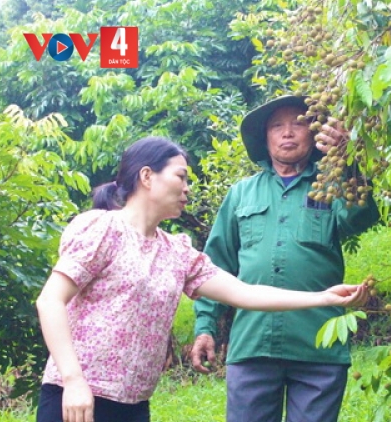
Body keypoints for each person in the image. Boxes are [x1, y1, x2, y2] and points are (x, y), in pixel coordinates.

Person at [35, 136, 369, 422]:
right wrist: (73, 380)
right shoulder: (103, 229)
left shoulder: (176, 252)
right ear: (148, 177)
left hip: (134, 403)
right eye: (181, 177)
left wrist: (324, 297)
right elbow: (51, 300)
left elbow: (244, 293)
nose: (187, 188)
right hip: (77, 399)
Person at [190, 95, 380, 422]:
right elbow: (214, 266)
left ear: (313, 134)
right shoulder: (241, 194)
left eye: (298, 124)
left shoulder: (331, 184)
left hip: (318, 343)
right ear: (265, 139)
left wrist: (347, 160)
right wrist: (205, 326)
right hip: (252, 345)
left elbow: (360, 218)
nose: (287, 133)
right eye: (277, 126)